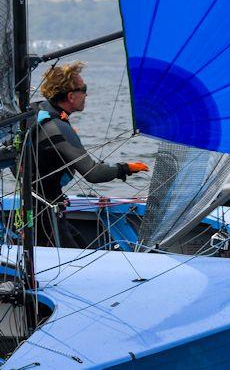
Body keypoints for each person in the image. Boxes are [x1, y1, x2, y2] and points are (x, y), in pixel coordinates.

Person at [31, 61, 149, 247]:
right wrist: (124, 168)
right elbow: (93, 174)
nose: (86, 94)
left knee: (81, 245)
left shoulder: (38, 111)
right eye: (83, 89)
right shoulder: (57, 127)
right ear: (71, 96)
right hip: (44, 218)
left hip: (34, 210)